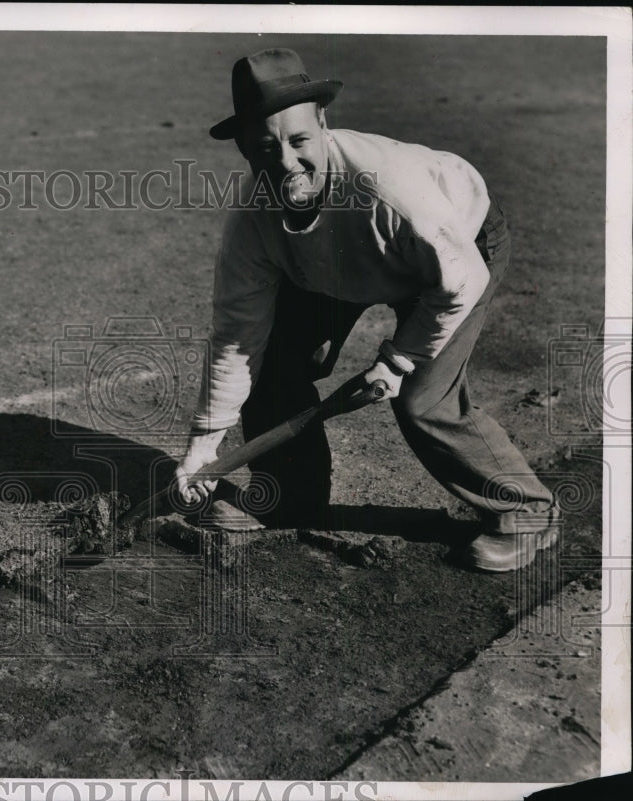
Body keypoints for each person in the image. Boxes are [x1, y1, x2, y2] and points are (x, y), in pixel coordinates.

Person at [174, 48, 560, 572]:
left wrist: (400, 360)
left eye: (299, 140)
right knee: (271, 364)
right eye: (266, 146)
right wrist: (204, 444)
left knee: (425, 402)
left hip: (455, 255)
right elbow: (239, 338)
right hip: (334, 264)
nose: (287, 162)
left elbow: (461, 281)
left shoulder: (392, 193)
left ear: (323, 125)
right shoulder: (251, 223)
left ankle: (527, 510)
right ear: (244, 149)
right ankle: (292, 496)